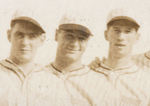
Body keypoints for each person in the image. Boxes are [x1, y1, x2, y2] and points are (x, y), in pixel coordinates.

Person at [26, 14, 100, 106]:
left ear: (88, 41)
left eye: (81, 39)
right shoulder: (34, 77)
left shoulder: (97, 83)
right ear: (56, 35)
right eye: (69, 36)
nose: (74, 44)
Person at [88, 9, 150, 105]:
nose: (121, 37)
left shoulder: (145, 81)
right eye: (116, 30)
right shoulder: (88, 73)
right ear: (106, 34)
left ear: (137, 37)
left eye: (128, 31)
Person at [0, 16, 45, 105]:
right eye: (20, 35)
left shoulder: (50, 79)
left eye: (32, 36)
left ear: (42, 40)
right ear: (9, 35)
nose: (25, 42)